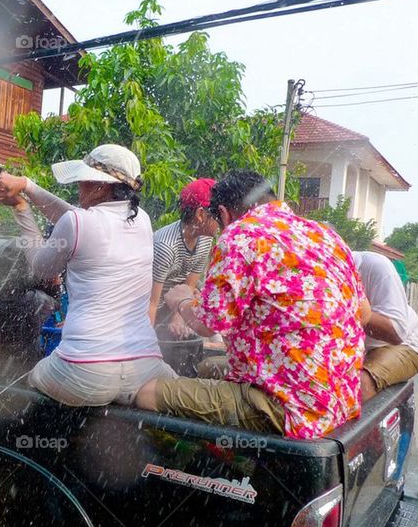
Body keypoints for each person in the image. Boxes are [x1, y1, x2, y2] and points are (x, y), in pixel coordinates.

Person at [136, 170, 365, 439]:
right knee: (207, 369)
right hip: (339, 401)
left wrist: (182, 301)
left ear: (223, 213)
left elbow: (209, 324)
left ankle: (193, 467)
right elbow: (365, 313)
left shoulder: (240, 236)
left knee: (147, 394)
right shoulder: (326, 235)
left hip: (290, 408)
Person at [0, 144, 175, 407]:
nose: (78, 185)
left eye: (83, 179)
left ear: (102, 186)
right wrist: (27, 186)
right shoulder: (143, 219)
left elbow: (42, 268)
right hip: (144, 368)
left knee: (29, 383)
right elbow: (75, 219)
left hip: (85, 373)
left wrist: (21, 207)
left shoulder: (79, 222)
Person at [353, 251, 418, 401]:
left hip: (406, 344)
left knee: (360, 384)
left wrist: (352, 309)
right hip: (360, 350)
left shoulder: (375, 265)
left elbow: (397, 332)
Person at [149, 178, 219, 334]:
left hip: (171, 305)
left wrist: (178, 318)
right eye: (217, 213)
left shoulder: (205, 239)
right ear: (200, 214)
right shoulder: (166, 247)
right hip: (146, 309)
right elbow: (151, 303)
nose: (221, 219)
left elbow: (189, 286)